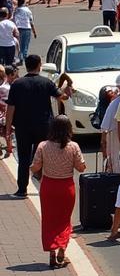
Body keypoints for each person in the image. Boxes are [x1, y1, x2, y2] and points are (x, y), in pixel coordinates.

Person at [5, 54, 71, 197]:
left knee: (23, 157)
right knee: (45, 156)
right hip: (44, 126)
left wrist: (8, 126)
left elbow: (11, 107)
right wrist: (66, 87)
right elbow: (62, 97)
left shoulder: (17, 84)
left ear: (27, 66)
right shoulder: (46, 82)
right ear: (39, 66)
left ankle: (22, 190)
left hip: (23, 127)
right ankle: (45, 186)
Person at [30, 115, 85, 268]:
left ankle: (52, 253)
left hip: (49, 186)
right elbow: (81, 167)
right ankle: (62, 248)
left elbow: (35, 167)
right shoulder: (73, 146)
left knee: (49, 220)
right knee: (64, 220)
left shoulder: (43, 146)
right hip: (66, 188)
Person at [12, 0, 33, 65]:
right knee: (25, 44)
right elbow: (31, 20)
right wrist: (34, 31)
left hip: (18, 28)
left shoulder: (16, 10)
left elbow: (14, 19)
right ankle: (24, 58)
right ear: (24, 3)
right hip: (27, 28)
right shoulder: (27, 10)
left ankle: (20, 58)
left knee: (19, 44)